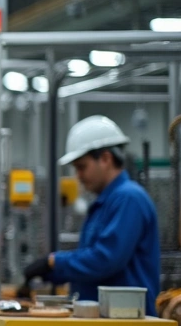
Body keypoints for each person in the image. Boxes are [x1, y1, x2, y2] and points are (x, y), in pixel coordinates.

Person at [22, 115, 160, 313]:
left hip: (127, 323)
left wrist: (54, 262)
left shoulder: (129, 198)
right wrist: (50, 273)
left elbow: (106, 260)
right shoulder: (104, 202)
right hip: (107, 320)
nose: (77, 176)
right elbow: (91, 263)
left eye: (82, 167)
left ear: (105, 158)